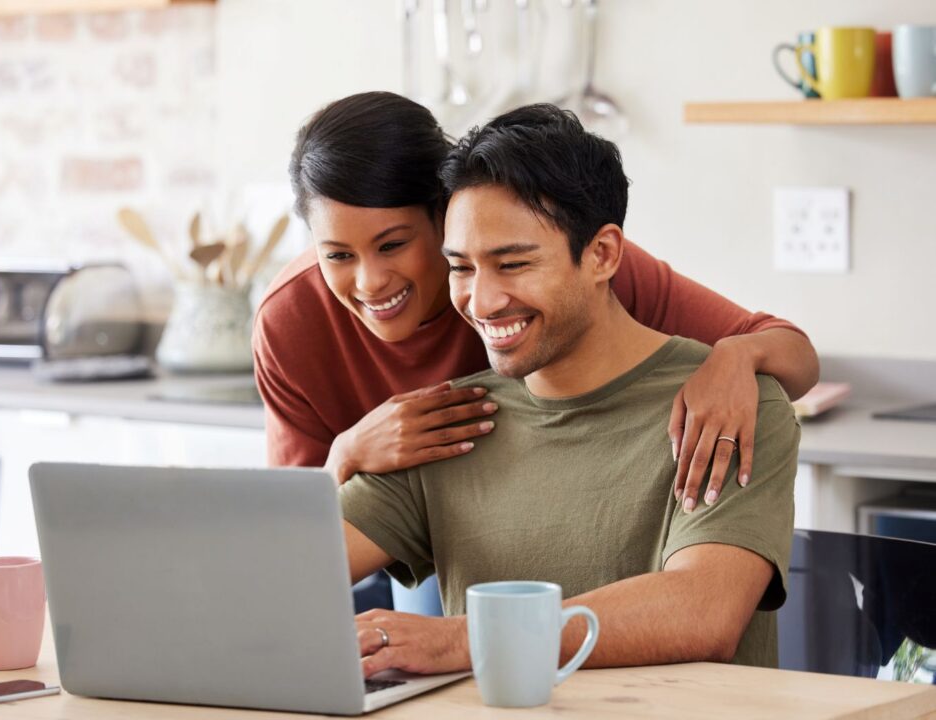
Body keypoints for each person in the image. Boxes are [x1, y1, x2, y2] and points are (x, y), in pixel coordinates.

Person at [339, 104, 799, 675]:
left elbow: (704, 609)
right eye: (461, 268)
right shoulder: (450, 421)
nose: (481, 303)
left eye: (512, 264)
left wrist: (460, 641)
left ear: (602, 255)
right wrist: (338, 460)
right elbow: (283, 573)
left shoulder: (729, 412)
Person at [253, 91, 816, 512]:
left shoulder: (576, 266)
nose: (371, 282)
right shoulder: (289, 320)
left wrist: (735, 357)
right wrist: (345, 455)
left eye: (393, 245)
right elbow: (286, 536)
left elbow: (793, 354)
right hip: (394, 520)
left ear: (445, 213)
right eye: (337, 255)